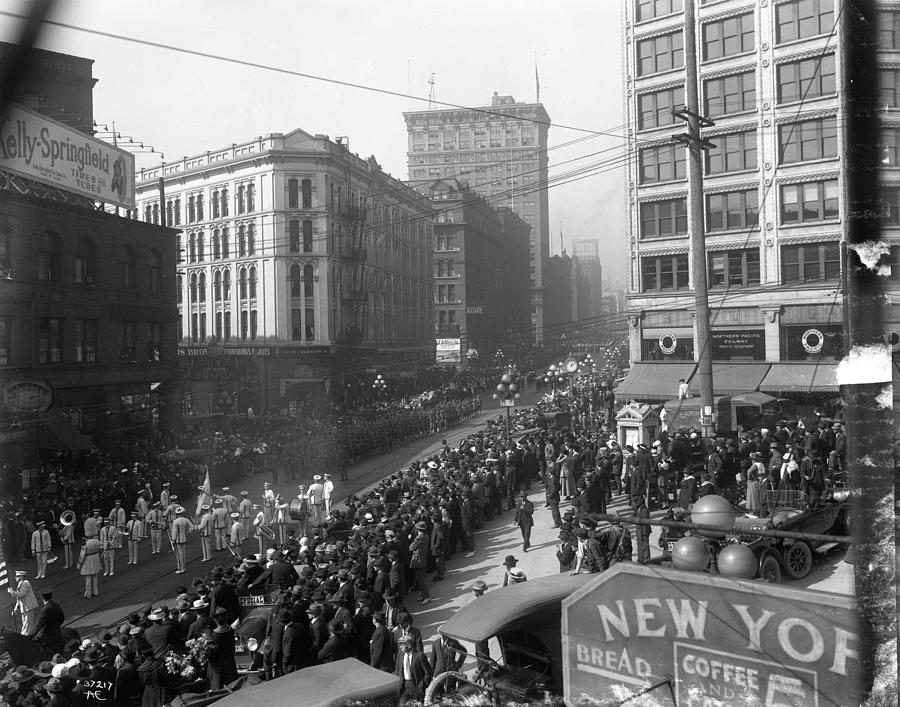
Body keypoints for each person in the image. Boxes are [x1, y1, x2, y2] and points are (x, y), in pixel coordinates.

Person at [395, 634, 432, 703]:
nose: (400, 647)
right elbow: (398, 670)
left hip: (416, 687)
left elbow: (428, 673)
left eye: (402, 644)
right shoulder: (400, 655)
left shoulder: (419, 656)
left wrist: (421, 687)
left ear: (408, 645)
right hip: (404, 687)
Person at [206, 608, 238, 690]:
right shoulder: (230, 630)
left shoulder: (214, 635)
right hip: (230, 664)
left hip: (219, 668)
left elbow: (213, 653)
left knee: (219, 688)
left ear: (216, 620)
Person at [8, 569, 38, 634]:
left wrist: (12, 592)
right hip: (25, 607)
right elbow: (19, 599)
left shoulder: (25, 583)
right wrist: (16, 608)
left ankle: (25, 638)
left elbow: (21, 594)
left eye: (17, 576)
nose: (15, 577)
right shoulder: (20, 584)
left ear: (21, 577)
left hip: (29, 607)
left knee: (28, 625)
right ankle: (25, 637)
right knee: (26, 624)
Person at [408, 521, 431, 604]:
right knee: (422, 578)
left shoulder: (419, 537)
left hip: (418, 560)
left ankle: (427, 596)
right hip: (423, 558)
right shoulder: (426, 535)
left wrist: (411, 538)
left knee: (420, 580)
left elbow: (411, 548)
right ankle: (423, 594)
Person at [170, 507, 193, 574]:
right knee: (183, 553)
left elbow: (174, 531)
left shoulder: (175, 521)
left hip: (177, 539)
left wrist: (173, 539)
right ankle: (184, 567)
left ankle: (180, 568)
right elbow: (192, 526)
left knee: (179, 554)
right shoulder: (186, 520)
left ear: (177, 514)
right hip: (184, 538)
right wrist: (188, 532)